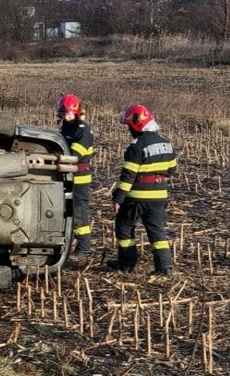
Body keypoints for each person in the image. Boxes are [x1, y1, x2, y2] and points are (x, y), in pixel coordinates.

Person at [109, 104, 177, 277]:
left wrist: (118, 197)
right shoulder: (166, 144)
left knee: (124, 227)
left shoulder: (136, 146)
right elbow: (171, 170)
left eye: (129, 126)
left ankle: (126, 264)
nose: (129, 130)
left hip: (137, 196)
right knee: (156, 230)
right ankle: (165, 266)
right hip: (160, 195)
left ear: (137, 125)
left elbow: (128, 176)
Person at [57, 93, 94, 260]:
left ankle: (84, 248)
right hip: (67, 175)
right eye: (63, 114)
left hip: (79, 177)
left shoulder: (83, 130)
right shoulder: (66, 127)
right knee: (65, 211)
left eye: (68, 113)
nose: (66, 116)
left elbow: (74, 155)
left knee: (79, 212)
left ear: (76, 111)